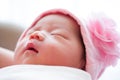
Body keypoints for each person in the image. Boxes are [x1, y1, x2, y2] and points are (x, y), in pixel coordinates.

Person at [0, 9, 120, 80]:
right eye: (30, 32)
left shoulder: (73, 75)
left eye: (57, 35)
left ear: (82, 63)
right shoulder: (16, 68)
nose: (35, 34)